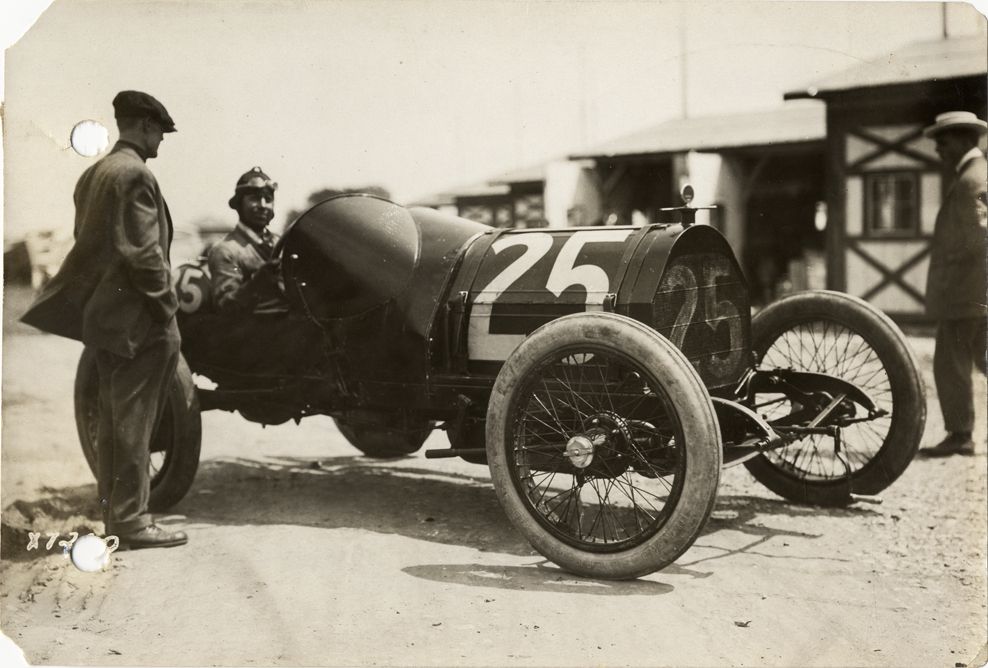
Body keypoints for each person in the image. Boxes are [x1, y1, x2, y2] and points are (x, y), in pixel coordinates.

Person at [21, 91, 188, 548]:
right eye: (159, 133)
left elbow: (90, 244)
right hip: (139, 321)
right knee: (135, 422)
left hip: (105, 317)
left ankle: (117, 514)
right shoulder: (134, 174)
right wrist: (166, 310)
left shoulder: (94, 173)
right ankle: (132, 522)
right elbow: (144, 255)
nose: (160, 142)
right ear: (145, 126)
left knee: (116, 420)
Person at [919, 111, 988, 458]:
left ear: (963, 140)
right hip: (976, 293)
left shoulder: (971, 181)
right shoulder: (975, 176)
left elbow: (982, 238)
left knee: (951, 363)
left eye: (942, 143)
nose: (938, 151)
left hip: (968, 294)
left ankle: (960, 435)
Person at [208, 167, 286, 314]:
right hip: (254, 332)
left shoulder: (282, 243)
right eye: (255, 198)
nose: (263, 205)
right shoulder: (226, 251)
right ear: (239, 204)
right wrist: (257, 283)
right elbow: (226, 307)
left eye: (268, 199)